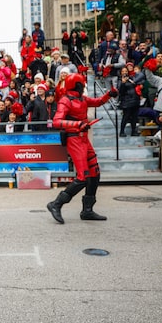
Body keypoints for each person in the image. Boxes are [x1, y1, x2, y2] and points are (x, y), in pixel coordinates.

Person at [46, 73, 117, 224]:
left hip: (84, 139)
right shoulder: (65, 100)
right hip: (74, 140)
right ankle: (56, 204)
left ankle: (87, 210)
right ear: (76, 85)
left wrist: (109, 94)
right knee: (82, 177)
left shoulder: (82, 99)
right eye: (81, 84)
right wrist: (78, 124)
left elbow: (98, 102)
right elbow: (57, 121)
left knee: (94, 173)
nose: (83, 86)